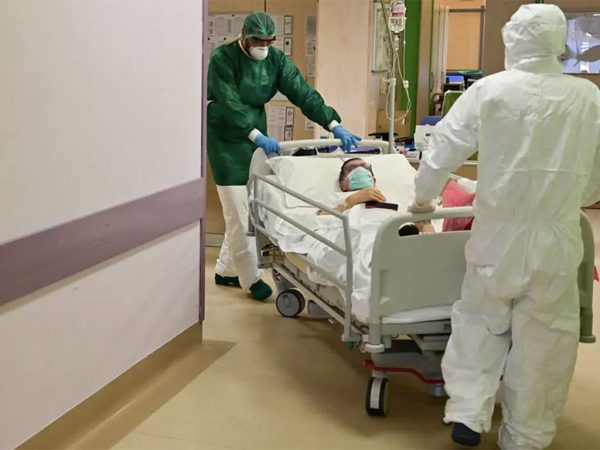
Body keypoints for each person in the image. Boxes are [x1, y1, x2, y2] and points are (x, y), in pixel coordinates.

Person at [409, 4, 600, 449]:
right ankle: (527, 436)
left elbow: (443, 149)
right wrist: (569, 198)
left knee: (480, 320)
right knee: (545, 340)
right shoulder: (587, 98)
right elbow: (594, 175)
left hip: (497, 234)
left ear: (513, 39)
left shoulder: (490, 91)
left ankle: (468, 414)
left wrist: (422, 199)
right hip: (557, 237)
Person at [207, 12, 361, 300]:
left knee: (248, 206)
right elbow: (228, 103)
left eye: (269, 41)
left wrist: (333, 124)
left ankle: (225, 270)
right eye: (258, 41)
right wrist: (256, 136)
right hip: (226, 136)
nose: (263, 46)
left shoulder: (276, 61)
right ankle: (251, 278)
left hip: (255, 130)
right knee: (238, 209)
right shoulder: (223, 58)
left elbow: (303, 93)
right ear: (244, 37)